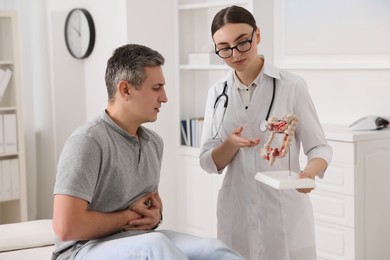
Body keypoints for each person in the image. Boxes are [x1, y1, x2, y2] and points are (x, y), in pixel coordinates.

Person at [52, 44, 244, 260]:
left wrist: (155, 217)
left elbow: (149, 208)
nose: (164, 97)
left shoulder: (153, 143)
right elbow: (66, 227)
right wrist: (126, 218)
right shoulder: (87, 142)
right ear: (125, 89)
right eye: (156, 88)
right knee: (155, 244)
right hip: (83, 249)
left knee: (213, 249)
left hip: (134, 238)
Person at [199, 6, 333, 260]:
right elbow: (207, 161)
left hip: (284, 214)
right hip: (236, 213)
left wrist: (309, 174)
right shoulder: (217, 94)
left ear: (257, 36)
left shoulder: (292, 86)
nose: (235, 54)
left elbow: (320, 147)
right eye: (224, 48)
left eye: (242, 43)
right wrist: (230, 144)